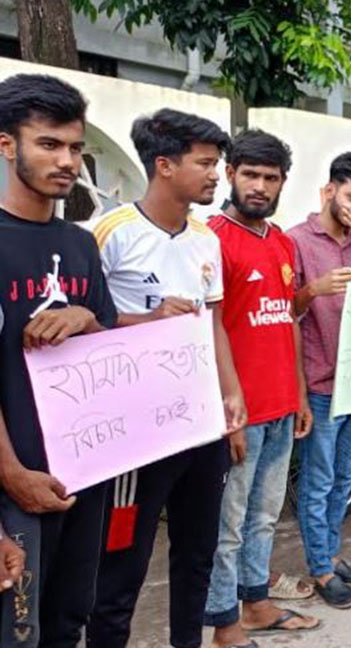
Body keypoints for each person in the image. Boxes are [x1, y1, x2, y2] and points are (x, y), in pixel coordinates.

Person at [88, 109, 248, 648]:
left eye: (217, 164)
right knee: (123, 565)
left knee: (196, 553)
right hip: (137, 434)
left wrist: (232, 401)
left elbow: (215, 325)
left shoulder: (206, 239)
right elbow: (86, 327)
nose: (215, 175)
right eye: (205, 163)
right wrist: (147, 322)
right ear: (164, 165)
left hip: (201, 423)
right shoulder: (110, 233)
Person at [0, 74, 109, 648]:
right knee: (18, 629)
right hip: (13, 480)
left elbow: (109, 346)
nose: (67, 160)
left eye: (75, 147)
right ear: (6, 144)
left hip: (82, 470)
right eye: (49, 144)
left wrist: (85, 319)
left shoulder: (80, 244)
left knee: (70, 619)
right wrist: (13, 476)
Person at [203, 130, 319, 642]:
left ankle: (256, 602)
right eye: (250, 174)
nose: (259, 186)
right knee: (226, 527)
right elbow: (204, 332)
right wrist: (227, 412)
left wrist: (297, 391)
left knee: (266, 516)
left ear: (282, 183)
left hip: (280, 405)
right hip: (237, 413)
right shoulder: (210, 238)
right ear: (230, 174)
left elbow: (288, 320)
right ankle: (223, 620)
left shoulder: (283, 242)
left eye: (270, 178)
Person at [289, 152, 351, 607]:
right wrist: (313, 290)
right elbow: (283, 311)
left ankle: (331, 553)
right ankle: (321, 569)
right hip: (320, 382)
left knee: (346, 477)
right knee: (319, 479)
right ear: (328, 191)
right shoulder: (297, 240)